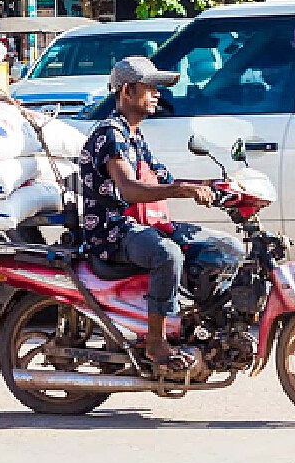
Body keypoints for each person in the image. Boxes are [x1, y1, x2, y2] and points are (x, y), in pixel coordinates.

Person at [78, 57, 241, 370]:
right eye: (150, 87)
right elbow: (130, 190)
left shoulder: (134, 135)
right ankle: (155, 341)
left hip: (139, 224)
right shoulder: (110, 135)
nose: (157, 94)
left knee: (217, 246)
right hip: (113, 230)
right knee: (168, 254)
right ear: (127, 90)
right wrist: (182, 190)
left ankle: (194, 322)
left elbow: (164, 180)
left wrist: (222, 185)